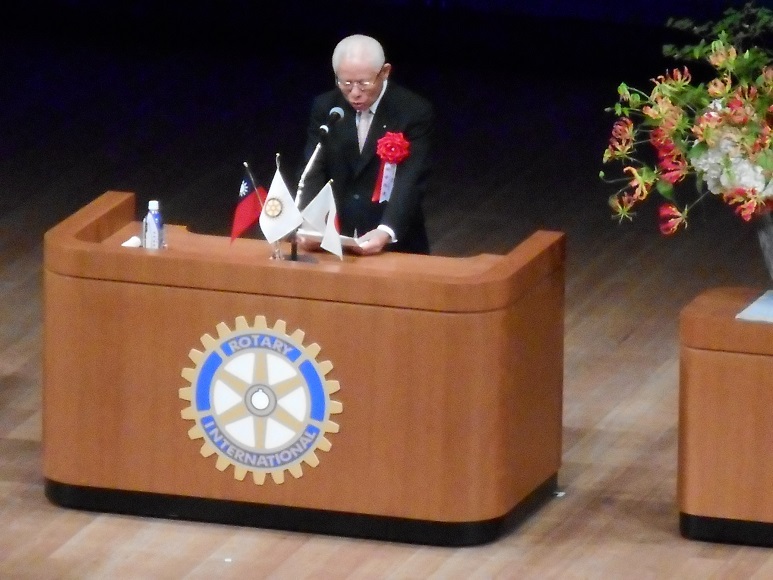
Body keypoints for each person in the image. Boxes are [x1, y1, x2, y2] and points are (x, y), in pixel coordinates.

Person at [295, 34, 435, 255]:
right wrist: (309, 224)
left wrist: (386, 230)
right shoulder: (326, 107)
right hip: (333, 237)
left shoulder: (413, 111)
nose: (355, 93)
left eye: (364, 83)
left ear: (385, 72)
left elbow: (411, 178)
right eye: (346, 83)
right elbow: (313, 168)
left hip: (392, 241)